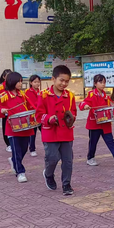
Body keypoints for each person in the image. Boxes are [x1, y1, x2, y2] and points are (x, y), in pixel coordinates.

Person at [36, 65, 76, 196]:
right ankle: (48, 174)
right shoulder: (43, 95)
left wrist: (72, 117)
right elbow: (38, 115)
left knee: (68, 160)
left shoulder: (70, 96)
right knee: (52, 158)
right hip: (50, 133)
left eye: (66, 81)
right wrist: (49, 118)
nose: (63, 84)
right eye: (61, 80)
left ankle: (66, 184)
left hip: (66, 133)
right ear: (53, 79)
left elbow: (73, 112)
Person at [0, 72, 35, 183]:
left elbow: (32, 106)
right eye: (19, 81)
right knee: (16, 150)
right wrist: (1, 110)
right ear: (12, 82)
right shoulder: (3, 96)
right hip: (13, 128)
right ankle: (20, 172)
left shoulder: (23, 95)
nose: (21, 83)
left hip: (26, 127)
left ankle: (13, 161)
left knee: (24, 149)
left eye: (21, 81)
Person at [79, 74, 114, 168]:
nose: (103, 84)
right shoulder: (91, 94)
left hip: (105, 123)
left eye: (104, 82)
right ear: (95, 83)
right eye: (100, 82)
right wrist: (85, 106)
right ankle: (90, 158)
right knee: (93, 142)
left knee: (110, 141)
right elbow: (83, 103)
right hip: (95, 123)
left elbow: (111, 106)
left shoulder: (105, 95)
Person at [25, 74, 42, 157]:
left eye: (38, 82)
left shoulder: (41, 92)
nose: (37, 84)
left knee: (45, 131)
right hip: (32, 116)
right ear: (31, 83)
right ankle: (32, 149)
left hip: (40, 115)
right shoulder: (27, 92)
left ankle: (48, 146)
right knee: (33, 133)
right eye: (35, 82)